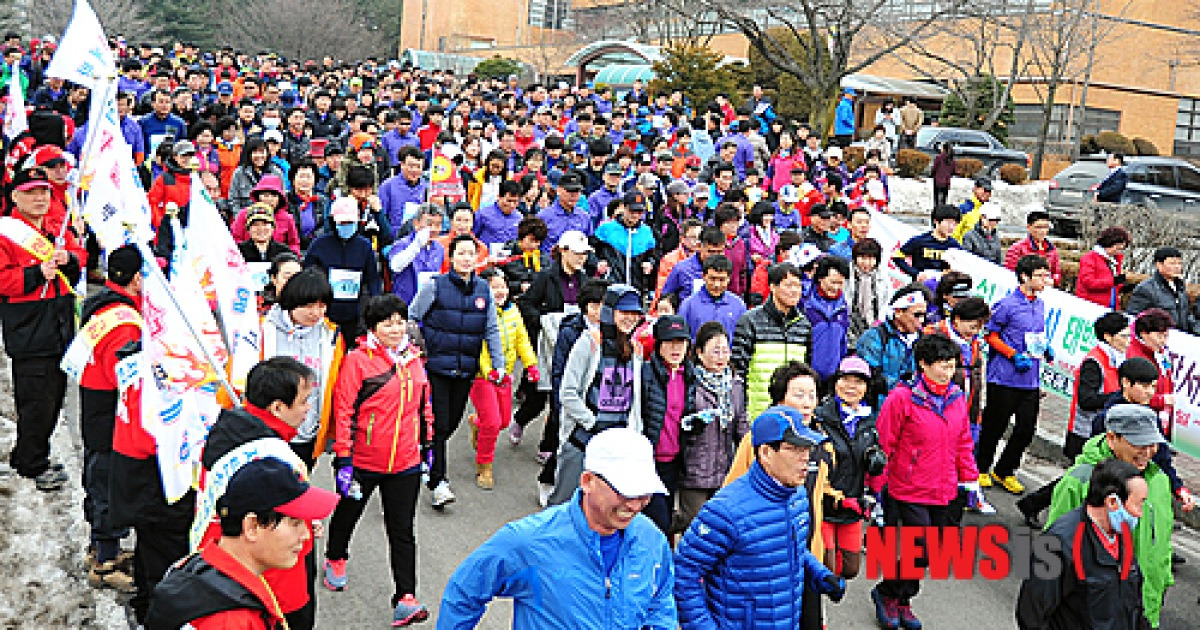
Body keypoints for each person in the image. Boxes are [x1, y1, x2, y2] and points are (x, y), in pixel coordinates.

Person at [437, 427, 676, 629]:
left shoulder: (652, 540)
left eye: (644, 493)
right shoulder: (530, 541)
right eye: (624, 491)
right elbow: (465, 593)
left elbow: (661, 602)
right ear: (587, 482)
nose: (635, 505)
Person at [674, 405, 845, 630]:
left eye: (808, 448)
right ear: (765, 453)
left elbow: (787, 547)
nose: (806, 458)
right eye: (795, 448)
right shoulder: (725, 510)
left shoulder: (798, 495)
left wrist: (820, 574)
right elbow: (684, 573)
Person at [323, 295, 435, 626]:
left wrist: (428, 446)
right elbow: (343, 411)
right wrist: (344, 460)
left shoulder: (414, 359)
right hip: (363, 461)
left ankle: (405, 597)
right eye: (388, 322)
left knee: (402, 530)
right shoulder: (358, 361)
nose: (395, 328)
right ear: (373, 327)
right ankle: (336, 556)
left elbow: (423, 407)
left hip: (405, 462)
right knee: (348, 514)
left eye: (400, 321)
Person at [195, 357, 324, 629]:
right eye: (303, 401)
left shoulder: (230, 431)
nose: (308, 409)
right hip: (276, 587)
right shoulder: (270, 461)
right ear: (277, 407)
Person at [145, 458, 338, 630]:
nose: (306, 535)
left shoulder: (198, 565)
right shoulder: (232, 621)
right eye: (295, 523)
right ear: (252, 526)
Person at [871, 335, 982, 630]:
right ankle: (891, 595)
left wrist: (970, 480)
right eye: (942, 366)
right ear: (923, 364)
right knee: (917, 547)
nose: (948, 372)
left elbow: (963, 442)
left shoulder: (957, 398)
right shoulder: (902, 399)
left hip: (946, 488)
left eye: (952, 366)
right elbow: (885, 444)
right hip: (909, 487)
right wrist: (876, 488)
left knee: (935, 550)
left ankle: (900, 595)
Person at [1046, 404, 1174, 629]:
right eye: (1139, 443)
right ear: (1112, 438)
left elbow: (1162, 542)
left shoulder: (1159, 481)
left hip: (1143, 611)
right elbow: (1051, 557)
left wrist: (1163, 582)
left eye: (1153, 443)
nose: (1148, 451)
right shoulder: (1079, 482)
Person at [0, 165, 84, 491]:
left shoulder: (56, 228)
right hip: (29, 325)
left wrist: (70, 261)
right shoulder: (7, 231)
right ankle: (31, 462)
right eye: (31, 192)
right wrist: (37, 274)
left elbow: (77, 263)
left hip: (58, 323)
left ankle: (33, 454)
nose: (39, 198)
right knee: (35, 400)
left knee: (53, 396)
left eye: (44, 192)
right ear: (15, 197)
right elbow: (4, 280)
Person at [410, 234, 504, 509]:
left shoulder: (483, 290)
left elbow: (491, 329)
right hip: (436, 367)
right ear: (451, 257)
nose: (466, 258)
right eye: (460, 253)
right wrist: (419, 351)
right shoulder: (435, 286)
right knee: (439, 426)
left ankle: (421, 451)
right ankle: (438, 482)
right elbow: (412, 317)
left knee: (450, 423)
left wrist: (497, 364)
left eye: (470, 253)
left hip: (466, 369)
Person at [74, 245, 143, 593]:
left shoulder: (102, 305)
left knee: (99, 481)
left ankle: (100, 550)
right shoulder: (125, 325)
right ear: (135, 278)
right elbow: (124, 378)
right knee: (108, 487)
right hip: (109, 417)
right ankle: (105, 562)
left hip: (94, 409)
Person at [1015, 458, 1147, 630]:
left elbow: (1133, 607)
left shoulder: (1120, 537)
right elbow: (1032, 616)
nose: (1141, 514)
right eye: (1138, 504)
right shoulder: (1058, 545)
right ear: (1113, 502)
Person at [549, 284, 646, 506]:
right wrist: (592, 423)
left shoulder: (635, 349)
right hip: (581, 441)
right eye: (624, 312)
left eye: (635, 313)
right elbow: (568, 392)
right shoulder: (589, 342)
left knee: (603, 509)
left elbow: (635, 401)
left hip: (616, 446)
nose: (630, 318)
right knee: (565, 504)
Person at [977, 255, 1052, 495]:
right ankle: (980, 468)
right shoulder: (1006, 304)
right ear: (1024, 277)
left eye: (1046, 275)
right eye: (1040, 275)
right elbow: (990, 335)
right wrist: (1011, 354)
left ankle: (1005, 470)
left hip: (1030, 379)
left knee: (1026, 429)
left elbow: (1035, 335)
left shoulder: (1040, 305)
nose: (1045, 280)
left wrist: (1045, 348)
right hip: (1004, 376)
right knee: (994, 426)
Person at [812, 356, 883, 581]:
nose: (851, 387)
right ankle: (816, 614)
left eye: (859, 382)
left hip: (853, 506)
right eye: (846, 380)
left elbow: (873, 451)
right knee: (826, 569)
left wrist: (876, 458)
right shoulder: (820, 417)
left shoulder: (867, 420)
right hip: (823, 505)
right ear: (836, 382)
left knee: (850, 569)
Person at [468, 269, 539, 490]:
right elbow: (477, 346)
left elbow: (522, 340)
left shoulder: (512, 311)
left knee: (504, 421)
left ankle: (476, 424)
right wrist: (489, 370)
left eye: (503, 286)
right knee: (492, 422)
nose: (500, 291)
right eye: (494, 286)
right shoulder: (477, 313)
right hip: (482, 376)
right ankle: (484, 465)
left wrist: (531, 364)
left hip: (505, 375)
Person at [675, 321, 747, 531]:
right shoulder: (689, 381)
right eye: (715, 351)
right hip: (694, 470)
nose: (721, 357)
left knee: (719, 529)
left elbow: (741, 423)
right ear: (699, 352)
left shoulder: (734, 385)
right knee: (695, 527)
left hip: (723, 470)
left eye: (725, 351)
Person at [732, 262, 812, 421]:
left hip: (792, 412)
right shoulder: (750, 321)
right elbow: (738, 370)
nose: (794, 291)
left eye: (798, 286)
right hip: (757, 411)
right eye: (789, 285)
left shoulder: (804, 325)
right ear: (773, 287)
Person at [639, 315, 695, 534]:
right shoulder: (645, 373)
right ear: (658, 344)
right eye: (670, 342)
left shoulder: (690, 376)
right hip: (649, 461)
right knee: (657, 521)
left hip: (675, 461)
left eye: (681, 342)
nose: (676, 348)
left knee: (667, 521)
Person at [303, 197, 382, 345]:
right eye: (342, 223)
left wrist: (373, 306)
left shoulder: (364, 246)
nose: (346, 226)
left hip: (355, 313)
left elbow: (373, 279)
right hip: (325, 312)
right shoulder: (319, 245)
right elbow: (308, 276)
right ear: (333, 222)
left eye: (350, 223)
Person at [857, 286, 928, 406]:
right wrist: (906, 387)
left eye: (924, 315)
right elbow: (870, 377)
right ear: (898, 312)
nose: (921, 320)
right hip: (880, 408)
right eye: (917, 315)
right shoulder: (874, 337)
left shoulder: (923, 340)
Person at [804, 256, 851, 386]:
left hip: (833, 378)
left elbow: (843, 342)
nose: (836, 287)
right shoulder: (805, 304)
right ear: (820, 278)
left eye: (840, 283)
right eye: (833, 282)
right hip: (807, 376)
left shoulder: (843, 307)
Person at [1125, 246, 1195, 333]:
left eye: (1179, 263)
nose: (1177, 267)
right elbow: (1133, 317)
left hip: (1180, 337)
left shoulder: (1180, 287)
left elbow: (1186, 314)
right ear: (1159, 265)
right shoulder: (1146, 288)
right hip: (1158, 338)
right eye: (1172, 263)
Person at [677, 254, 746, 340]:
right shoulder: (688, 305)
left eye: (722, 280)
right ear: (704, 276)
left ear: (729, 279)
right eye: (712, 279)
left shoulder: (738, 305)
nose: (717, 285)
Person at [388, 204, 446, 305]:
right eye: (429, 224)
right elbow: (395, 266)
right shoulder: (402, 244)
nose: (433, 229)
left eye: (437, 225)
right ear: (416, 223)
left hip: (428, 304)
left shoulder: (439, 248)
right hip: (404, 303)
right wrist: (417, 245)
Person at [894, 204, 961, 282]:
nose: (951, 227)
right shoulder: (920, 241)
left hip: (943, 286)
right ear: (936, 221)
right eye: (948, 223)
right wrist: (915, 273)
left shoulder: (954, 245)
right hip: (921, 286)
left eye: (955, 224)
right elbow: (897, 257)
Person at [661, 225, 727, 303]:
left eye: (720, 252)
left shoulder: (727, 268)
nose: (715, 256)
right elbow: (665, 297)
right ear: (699, 246)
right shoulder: (682, 269)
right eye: (711, 252)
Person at [846, 238, 892, 344]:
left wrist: (880, 320)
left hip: (874, 324)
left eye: (871, 258)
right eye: (862, 258)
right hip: (850, 323)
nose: (866, 263)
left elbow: (887, 300)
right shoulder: (848, 274)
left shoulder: (883, 276)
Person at [1077, 226, 1130, 308]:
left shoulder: (1114, 261)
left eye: (1121, 249)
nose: (1118, 252)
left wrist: (1124, 287)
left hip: (1108, 307)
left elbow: (1112, 286)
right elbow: (1089, 282)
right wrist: (1114, 281)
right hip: (1091, 306)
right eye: (1117, 248)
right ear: (1109, 243)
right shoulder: (1090, 258)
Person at [1004, 210, 1061, 287]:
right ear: (1029, 227)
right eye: (1038, 227)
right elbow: (1010, 275)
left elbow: (1057, 273)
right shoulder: (1017, 249)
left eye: (1045, 227)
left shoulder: (1052, 249)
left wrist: (1053, 281)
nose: (1042, 231)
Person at [930, 143, 955, 208]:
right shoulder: (952, 160)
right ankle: (943, 212)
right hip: (946, 181)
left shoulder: (939, 157)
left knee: (936, 199)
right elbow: (953, 171)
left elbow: (934, 168)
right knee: (944, 199)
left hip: (937, 180)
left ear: (944, 149)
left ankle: (936, 212)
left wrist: (932, 174)